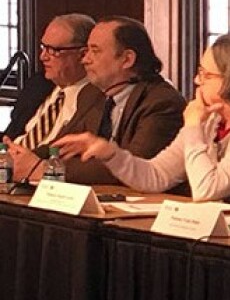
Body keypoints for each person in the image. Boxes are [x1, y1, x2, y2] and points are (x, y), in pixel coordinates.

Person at [55, 34, 230, 202]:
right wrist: (111, 154)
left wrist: (194, 128)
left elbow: (207, 188)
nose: (196, 80)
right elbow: (157, 176)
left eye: (206, 75)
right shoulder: (212, 119)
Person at [52, 16, 186, 184]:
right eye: (86, 51)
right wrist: (18, 158)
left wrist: (46, 169)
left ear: (127, 59)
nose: (85, 60)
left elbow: (132, 170)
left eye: (95, 51)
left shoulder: (162, 103)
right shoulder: (91, 94)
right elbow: (60, 146)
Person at [3, 14, 104, 182]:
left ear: (83, 54)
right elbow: (11, 134)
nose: (43, 56)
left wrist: (25, 162)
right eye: (43, 47)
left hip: (47, 180)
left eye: (54, 50)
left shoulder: (98, 98)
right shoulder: (38, 85)